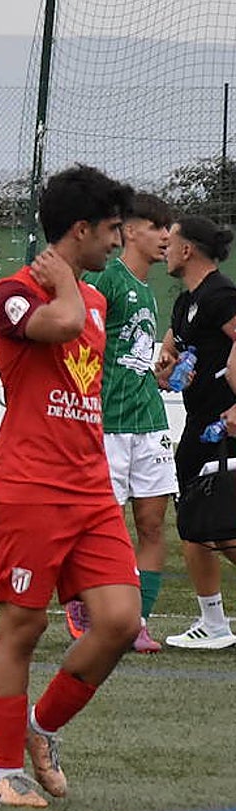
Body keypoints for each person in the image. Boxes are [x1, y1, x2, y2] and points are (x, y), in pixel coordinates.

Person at [0, 165, 139, 808]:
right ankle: (3, 773)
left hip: (90, 489)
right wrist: (68, 284)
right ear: (80, 229)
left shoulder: (97, 299)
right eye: (111, 229)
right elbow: (64, 325)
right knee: (23, 627)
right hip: (30, 488)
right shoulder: (12, 293)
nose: (118, 241)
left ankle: (42, 728)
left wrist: (75, 285)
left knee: (121, 621)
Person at [64, 194, 176, 653]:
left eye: (168, 228)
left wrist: (158, 370)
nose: (166, 236)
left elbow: (129, 354)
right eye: (157, 227)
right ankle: (83, 599)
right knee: (100, 528)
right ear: (130, 231)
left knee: (152, 525)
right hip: (107, 425)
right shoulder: (105, 279)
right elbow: (77, 340)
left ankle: (137, 623)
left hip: (150, 421)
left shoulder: (147, 290)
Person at [160, 216, 236, 650]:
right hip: (198, 425)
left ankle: (214, 624)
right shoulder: (186, 302)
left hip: (223, 427)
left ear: (187, 250)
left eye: (170, 242)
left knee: (217, 526)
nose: (164, 249)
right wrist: (167, 367)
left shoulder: (220, 295)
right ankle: (214, 624)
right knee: (200, 525)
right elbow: (171, 354)